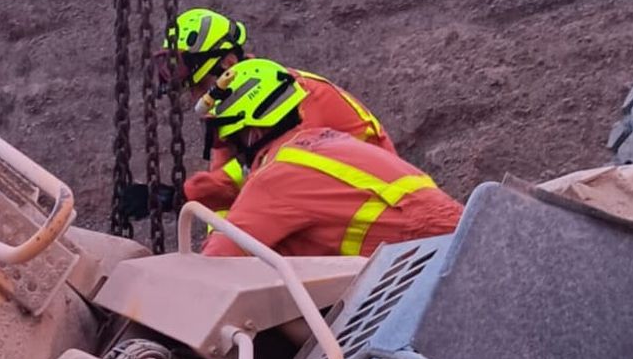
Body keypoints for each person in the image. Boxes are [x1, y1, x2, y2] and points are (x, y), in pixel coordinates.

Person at [196, 60, 462, 260]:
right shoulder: (329, 141)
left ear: (253, 131)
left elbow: (217, 265)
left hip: (426, 264)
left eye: (228, 139)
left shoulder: (275, 178)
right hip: (465, 234)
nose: (231, 150)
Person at [160, 7, 388, 215]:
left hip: (372, 200)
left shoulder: (291, 98)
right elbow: (225, 184)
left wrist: (179, 195)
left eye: (199, 87)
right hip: (329, 194)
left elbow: (262, 173)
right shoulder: (235, 108)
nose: (197, 98)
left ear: (228, 64)